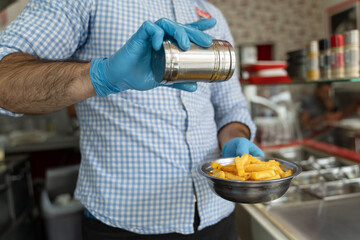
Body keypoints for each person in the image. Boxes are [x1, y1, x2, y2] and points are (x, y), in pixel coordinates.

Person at [0, 1, 263, 239]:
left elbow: (231, 109)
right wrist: (99, 75)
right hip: (124, 226)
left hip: (216, 216)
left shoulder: (210, 13)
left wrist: (235, 141)